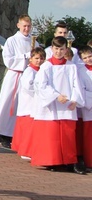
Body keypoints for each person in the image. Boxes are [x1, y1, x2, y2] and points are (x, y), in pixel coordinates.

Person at [32, 36, 85, 173]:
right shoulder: (46, 66)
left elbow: (77, 85)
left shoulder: (71, 66)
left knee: (67, 135)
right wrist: (56, 96)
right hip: (52, 106)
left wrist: (75, 100)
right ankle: (53, 161)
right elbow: (40, 85)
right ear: (52, 49)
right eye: (56, 49)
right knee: (53, 136)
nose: (58, 52)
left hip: (68, 106)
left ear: (66, 49)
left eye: (61, 49)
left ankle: (69, 161)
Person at [0, 15, 35, 149]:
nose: (26, 29)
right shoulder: (12, 40)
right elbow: (8, 60)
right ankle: (5, 134)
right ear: (18, 25)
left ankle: (19, 135)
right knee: (9, 105)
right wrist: (26, 57)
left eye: (28, 26)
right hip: (15, 76)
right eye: (24, 26)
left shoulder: (34, 42)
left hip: (29, 77)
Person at [11, 48, 46, 159]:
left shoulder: (40, 71)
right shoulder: (29, 71)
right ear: (30, 59)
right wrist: (41, 92)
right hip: (28, 105)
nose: (39, 61)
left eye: (41, 58)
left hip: (34, 105)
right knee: (27, 130)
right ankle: (25, 151)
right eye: (36, 58)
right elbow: (28, 87)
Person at [76, 46, 92, 170]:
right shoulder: (81, 71)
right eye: (85, 58)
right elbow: (81, 89)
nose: (88, 59)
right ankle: (89, 162)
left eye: (90, 56)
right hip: (89, 106)